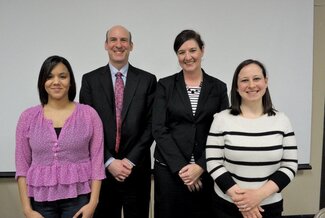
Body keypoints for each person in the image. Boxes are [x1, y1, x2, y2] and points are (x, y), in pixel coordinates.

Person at [79, 25, 157, 218]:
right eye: (113, 40)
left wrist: (129, 161)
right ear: (106, 45)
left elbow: (151, 125)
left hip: (137, 171)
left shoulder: (148, 80)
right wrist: (109, 161)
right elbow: (86, 128)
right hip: (101, 173)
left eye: (123, 40)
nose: (118, 44)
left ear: (131, 46)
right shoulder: (90, 80)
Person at [15, 55, 105, 218]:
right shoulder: (27, 117)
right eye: (49, 77)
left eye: (62, 76)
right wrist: (27, 210)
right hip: (40, 201)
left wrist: (93, 203)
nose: (56, 82)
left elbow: (97, 163)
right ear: (43, 82)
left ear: (70, 81)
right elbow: (22, 167)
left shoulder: (89, 115)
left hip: (79, 200)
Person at [206, 59, 298, 218]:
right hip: (227, 206)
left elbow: (289, 165)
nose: (251, 85)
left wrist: (258, 196)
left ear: (266, 81)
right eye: (244, 80)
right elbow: (213, 162)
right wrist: (242, 201)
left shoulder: (282, 120)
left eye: (256, 79)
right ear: (236, 86)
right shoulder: (221, 119)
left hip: (269, 208)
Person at [152, 29, 229, 218]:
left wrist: (200, 166)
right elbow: (159, 128)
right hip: (170, 171)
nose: (188, 57)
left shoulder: (218, 88)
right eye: (181, 52)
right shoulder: (165, 85)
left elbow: (222, 131)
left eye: (192, 50)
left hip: (207, 170)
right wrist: (183, 169)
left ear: (202, 50)